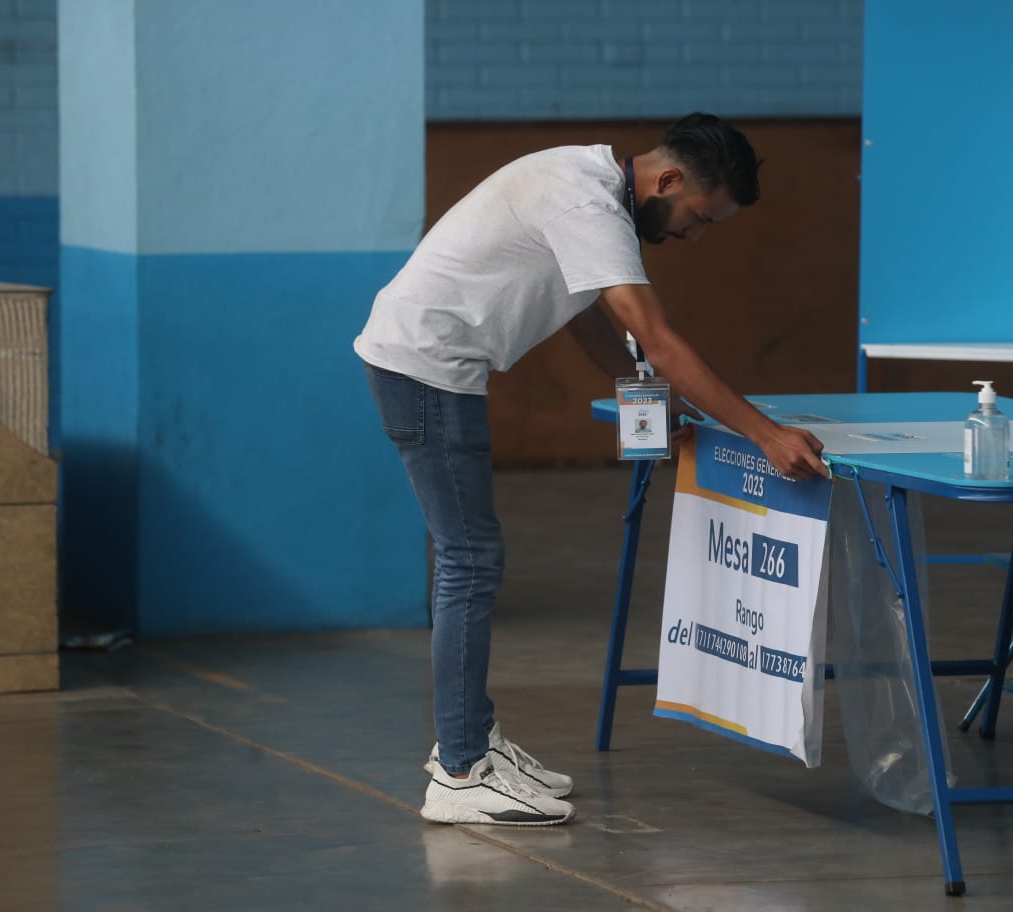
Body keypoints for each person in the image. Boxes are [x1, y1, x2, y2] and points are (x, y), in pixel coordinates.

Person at [354, 112, 828, 827]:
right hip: (426, 372)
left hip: (430, 368)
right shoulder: (587, 203)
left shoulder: (587, 183)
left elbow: (583, 313)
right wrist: (763, 434)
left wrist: (638, 394)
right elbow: (658, 339)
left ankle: (472, 741)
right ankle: (458, 771)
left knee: (470, 557)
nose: (692, 236)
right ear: (666, 180)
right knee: (469, 561)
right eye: (697, 218)